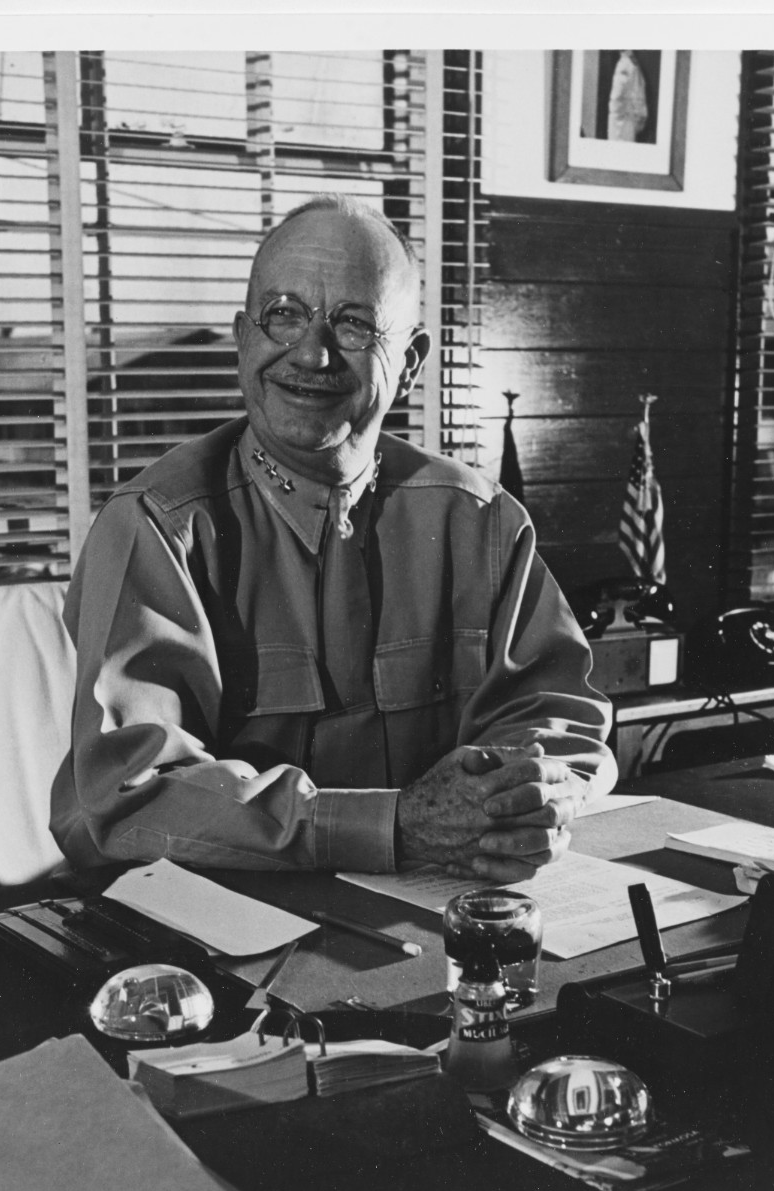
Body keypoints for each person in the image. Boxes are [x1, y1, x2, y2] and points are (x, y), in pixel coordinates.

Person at [50, 195, 617, 883]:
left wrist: (530, 789)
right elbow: (123, 802)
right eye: (283, 314)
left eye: (352, 324)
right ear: (242, 338)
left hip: (437, 907)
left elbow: (561, 718)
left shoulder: (480, 521)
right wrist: (393, 827)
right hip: (227, 923)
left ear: (408, 364)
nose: (311, 354)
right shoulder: (158, 526)